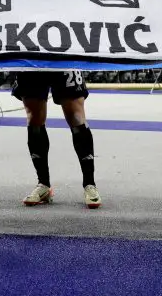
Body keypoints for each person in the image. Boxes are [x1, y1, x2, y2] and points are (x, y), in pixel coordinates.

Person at [16, 70, 101, 208]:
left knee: (76, 115)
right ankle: (43, 184)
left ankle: (89, 184)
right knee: (34, 118)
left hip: (63, 59)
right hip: (33, 61)